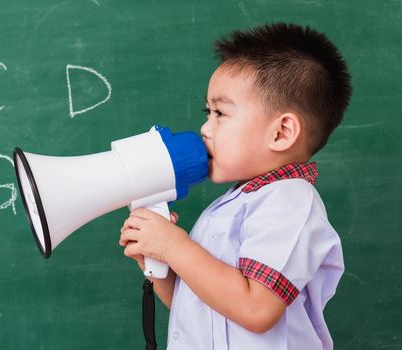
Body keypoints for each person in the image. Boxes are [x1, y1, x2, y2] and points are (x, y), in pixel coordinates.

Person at [119, 22, 351, 350]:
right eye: (207, 112)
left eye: (220, 113)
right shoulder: (237, 202)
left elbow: (256, 309)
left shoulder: (290, 202)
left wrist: (174, 246)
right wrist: (161, 266)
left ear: (282, 132)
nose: (205, 127)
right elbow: (201, 307)